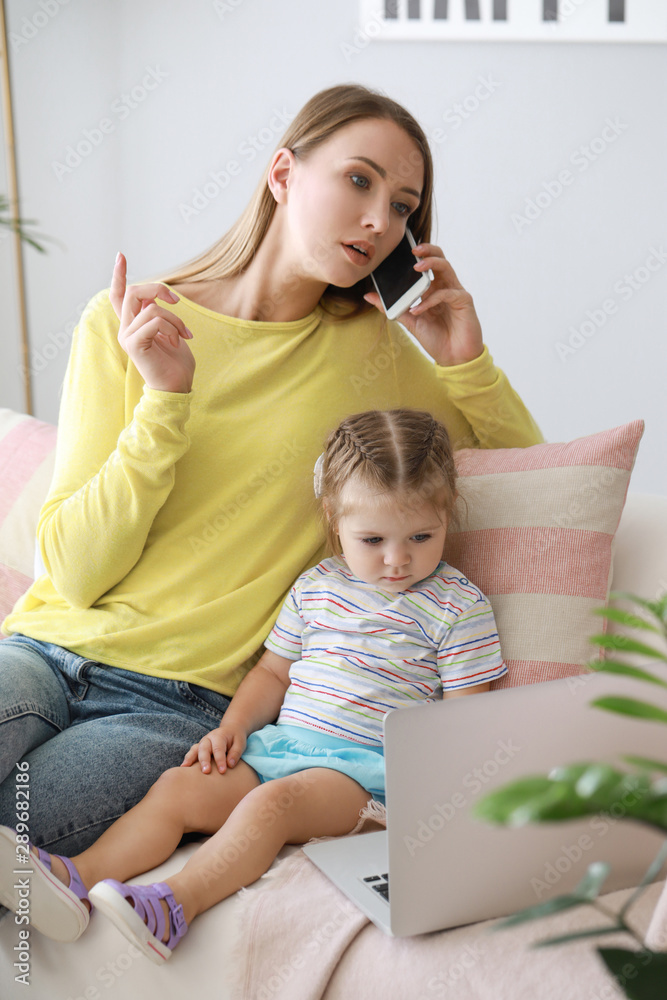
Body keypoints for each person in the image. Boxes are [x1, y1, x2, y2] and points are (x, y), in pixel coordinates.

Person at [0, 83, 541, 863]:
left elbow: (537, 480)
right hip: (45, 652)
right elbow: (76, 573)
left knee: (20, 834)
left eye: (402, 207)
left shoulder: (377, 353)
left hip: (182, 703)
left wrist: (464, 362)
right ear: (282, 173)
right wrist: (165, 399)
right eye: (359, 180)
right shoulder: (127, 323)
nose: (378, 221)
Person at [0, 408, 507, 963]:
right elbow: (271, 673)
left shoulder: (458, 606)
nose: (396, 559)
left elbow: (463, 722)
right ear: (334, 521)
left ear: (447, 516)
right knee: (178, 786)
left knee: (274, 805)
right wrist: (233, 729)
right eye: (373, 539)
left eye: (420, 536)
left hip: (366, 776)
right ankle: (77, 880)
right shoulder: (318, 586)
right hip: (280, 749)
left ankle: (174, 906)